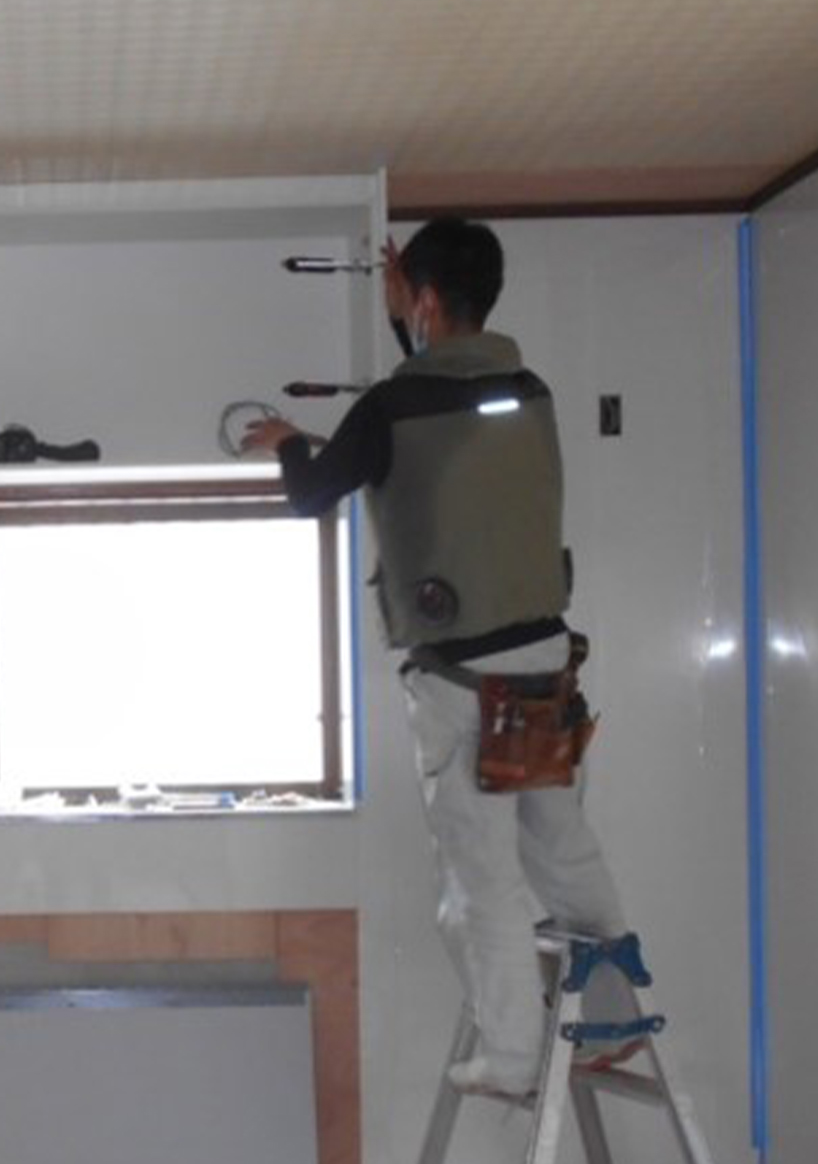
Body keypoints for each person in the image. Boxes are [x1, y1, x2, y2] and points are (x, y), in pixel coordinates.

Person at [242, 219, 641, 1099]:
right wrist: (404, 318)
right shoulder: (525, 390)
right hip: (543, 663)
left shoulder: (389, 408)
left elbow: (311, 494)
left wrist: (287, 441)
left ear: (423, 299)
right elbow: (444, 400)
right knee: (560, 841)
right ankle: (615, 1012)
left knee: (479, 877)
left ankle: (512, 1054)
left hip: (463, 683)